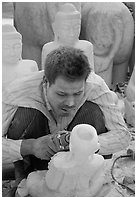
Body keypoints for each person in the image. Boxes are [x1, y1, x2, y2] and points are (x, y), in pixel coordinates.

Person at [3, 47, 130, 181]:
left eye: (77, 93)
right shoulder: (17, 91)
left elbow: (122, 135)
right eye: (61, 94)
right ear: (46, 82)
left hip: (80, 161)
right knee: (25, 113)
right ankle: (24, 176)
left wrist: (83, 143)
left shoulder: (95, 86)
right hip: (35, 160)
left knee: (93, 111)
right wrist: (31, 146)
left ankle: (87, 177)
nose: (70, 103)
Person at [41, 3, 94, 72]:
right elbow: (46, 78)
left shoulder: (86, 47)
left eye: (76, 27)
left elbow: (91, 76)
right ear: (56, 28)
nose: (72, 33)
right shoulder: (49, 49)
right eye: (66, 28)